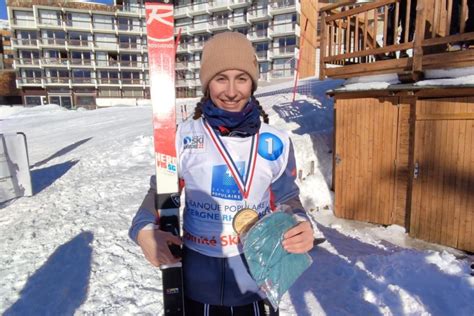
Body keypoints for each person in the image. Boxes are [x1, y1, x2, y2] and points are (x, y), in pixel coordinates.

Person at [129, 32, 315, 316]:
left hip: (257, 282)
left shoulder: (276, 142)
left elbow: (287, 196)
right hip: (197, 286)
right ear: (207, 84)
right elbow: (160, 191)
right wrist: (143, 229)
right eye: (220, 78)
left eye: (241, 78)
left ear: (252, 82)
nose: (231, 91)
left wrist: (299, 222)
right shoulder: (182, 138)